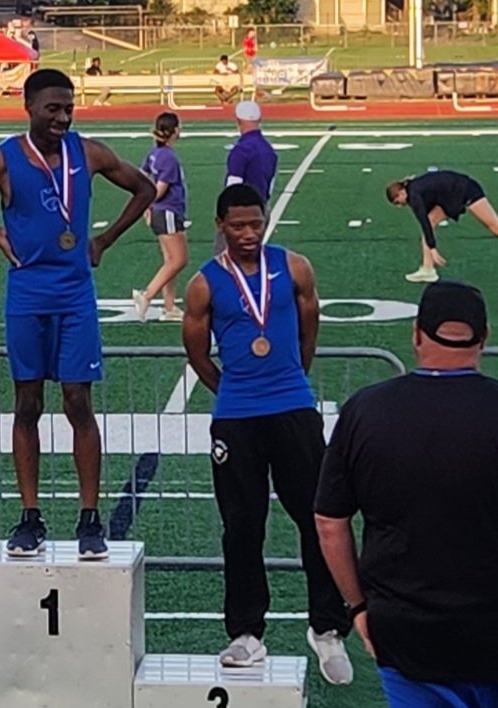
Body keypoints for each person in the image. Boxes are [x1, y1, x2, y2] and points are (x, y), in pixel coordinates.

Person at [0, 69, 155, 559]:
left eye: (68, 107)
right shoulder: (2, 160)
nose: (62, 116)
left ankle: (89, 518)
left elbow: (144, 189)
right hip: (28, 294)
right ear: (29, 107)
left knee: (78, 402)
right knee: (27, 404)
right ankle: (30, 516)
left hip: (76, 294)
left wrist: (104, 239)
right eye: (52, 108)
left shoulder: (89, 152)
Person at [182, 184, 352, 684]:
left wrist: (293, 378)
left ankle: (327, 628)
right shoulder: (204, 284)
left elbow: (309, 327)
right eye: (238, 226)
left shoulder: (294, 266)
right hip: (236, 416)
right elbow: (195, 349)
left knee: (317, 519)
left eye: (256, 223)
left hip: (293, 408)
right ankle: (246, 633)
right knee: (242, 525)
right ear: (220, 226)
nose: (249, 233)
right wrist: (230, 390)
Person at [315, 280, 498, 707]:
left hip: (404, 628)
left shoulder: (365, 410)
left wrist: (358, 607)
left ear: (416, 334)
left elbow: (329, 523)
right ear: (484, 338)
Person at [385, 170, 498, 284]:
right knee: (431, 221)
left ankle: (428, 269)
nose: (400, 205)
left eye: (397, 202)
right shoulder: (414, 188)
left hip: (467, 191)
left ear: (401, 192)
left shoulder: (414, 195)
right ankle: (427, 269)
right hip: (452, 195)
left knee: (494, 226)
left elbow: (423, 221)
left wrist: (432, 248)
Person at [132, 111, 189, 323]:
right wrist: (147, 203)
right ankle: (147, 295)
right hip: (167, 211)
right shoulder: (168, 157)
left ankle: (169, 306)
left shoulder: (155, 152)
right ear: (174, 131)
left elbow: (141, 173)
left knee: (170, 260)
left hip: (162, 212)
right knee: (179, 259)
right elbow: (160, 188)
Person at [214, 100, 278, 255]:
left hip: (239, 213)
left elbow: (233, 187)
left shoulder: (241, 150)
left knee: (224, 259)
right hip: (260, 208)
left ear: (238, 120)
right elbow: (270, 185)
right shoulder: (268, 149)